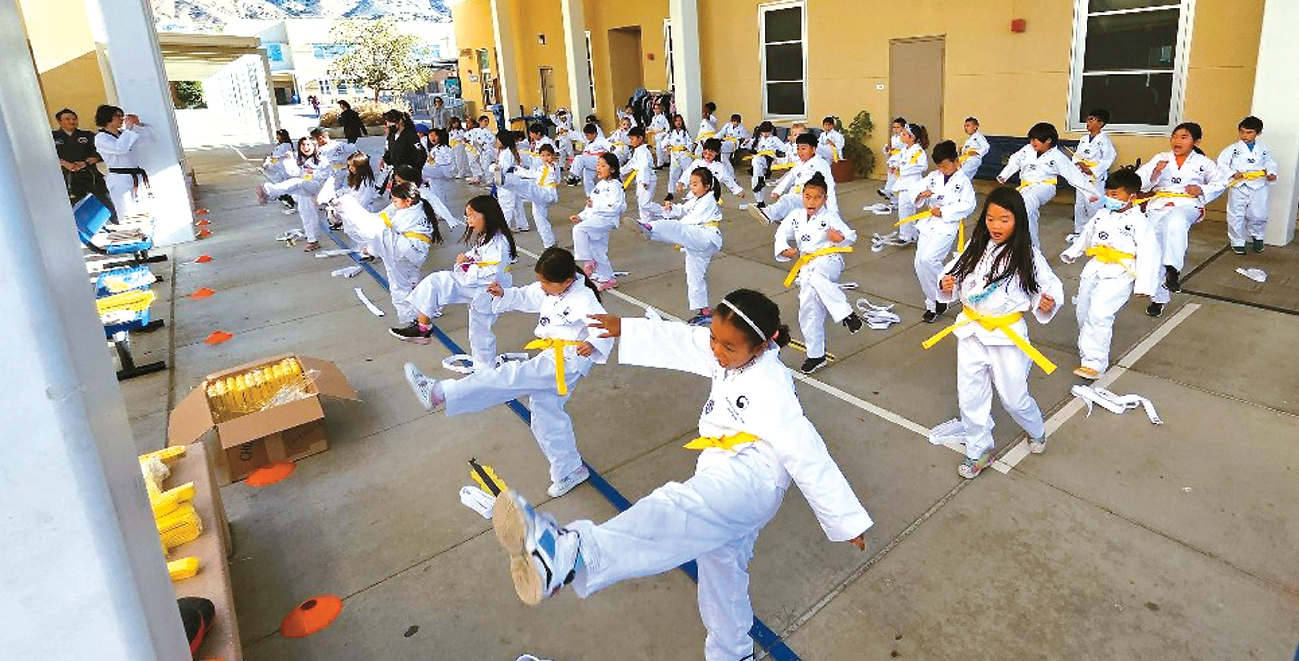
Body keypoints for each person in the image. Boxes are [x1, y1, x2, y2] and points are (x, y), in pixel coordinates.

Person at [488, 288, 872, 661]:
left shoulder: (771, 385)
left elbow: (805, 452)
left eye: (729, 347)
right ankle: (733, 652)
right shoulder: (729, 355)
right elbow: (683, 339)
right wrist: (626, 327)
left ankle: (576, 553)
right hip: (722, 467)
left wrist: (844, 519)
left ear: (760, 346)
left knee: (678, 506)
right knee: (722, 568)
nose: (717, 353)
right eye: (715, 340)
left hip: (753, 479)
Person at [403, 246, 612, 496]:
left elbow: (604, 325)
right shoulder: (555, 285)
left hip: (565, 361)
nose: (542, 287)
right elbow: (527, 295)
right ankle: (571, 470)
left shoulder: (583, 298)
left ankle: (440, 392)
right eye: (541, 281)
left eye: (546, 283)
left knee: (508, 378)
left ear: (566, 281)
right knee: (546, 416)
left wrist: (592, 343)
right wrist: (504, 294)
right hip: (553, 356)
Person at [925, 186, 1063, 478]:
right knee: (970, 395)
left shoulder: (1029, 255)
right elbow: (951, 272)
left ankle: (1035, 428)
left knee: (1014, 398)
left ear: (1018, 221)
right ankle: (979, 449)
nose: (996, 226)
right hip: (971, 331)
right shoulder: (975, 247)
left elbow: (1047, 288)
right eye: (990, 219)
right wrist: (946, 283)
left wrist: (1045, 301)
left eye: (1004, 219)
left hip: (1007, 336)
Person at [395, 195, 517, 369]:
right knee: (438, 284)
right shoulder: (486, 237)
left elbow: (491, 272)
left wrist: (466, 265)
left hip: (487, 289)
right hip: (478, 286)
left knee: (479, 330)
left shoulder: (499, 242)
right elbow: (479, 258)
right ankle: (423, 327)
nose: (469, 221)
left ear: (488, 215)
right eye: (467, 217)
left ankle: (484, 371)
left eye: (473, 216)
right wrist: (468, 259)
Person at [1061, 168, 1159, 380]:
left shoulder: (1139, 221)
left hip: (1121, 272)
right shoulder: (1101, 214)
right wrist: (1073, 253)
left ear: (1132, 196)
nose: (1110, 198)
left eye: (1115, 194)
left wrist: (1144, 285)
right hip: (1096, 266)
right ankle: (1088, 349)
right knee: (1084, 311)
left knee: (1099, 314)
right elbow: (1086, 235)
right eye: (1108, 193)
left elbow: (1149, 253)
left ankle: (1094, 363)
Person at [773, 173, 865, 374]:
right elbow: (781, 233)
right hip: (807, 264)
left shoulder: (830, 217)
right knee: (808, 309)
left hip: (828, 260)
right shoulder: (795, 216)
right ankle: (816, 355)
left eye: (817, 197)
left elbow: (851, 236)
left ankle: (846, 314)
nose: (811, 201)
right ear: (802, 196)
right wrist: (783, 249)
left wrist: (839, 237)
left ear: (825, 198)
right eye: (807, 196)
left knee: (815, 277)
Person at [1135, 122, 1229, 317]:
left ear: (1196, 141)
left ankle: (1174, 269)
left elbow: (1221, 182)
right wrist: (1155, 173)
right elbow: (1139, 180)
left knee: (1176, 221)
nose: (1177, 141)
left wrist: (1201, 189)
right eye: (1175, 136)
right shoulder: (1161, 158)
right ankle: (1159, 297)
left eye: (1183, 137)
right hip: (1159, 205)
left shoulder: (1203, 163)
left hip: (1187, 205)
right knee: (1153, 248)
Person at [330, 181, 440, 324]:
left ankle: (410, 318)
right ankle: (424, 310)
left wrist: (371, 250)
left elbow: (381, 231)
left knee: (398, 285)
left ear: (407, 201)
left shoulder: (406, 215)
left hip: (403, 252)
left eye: (395, 200)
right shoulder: (418, 208)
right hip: (414, 253)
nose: (393, 203)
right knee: (412, 283)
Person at [631, 167, 724, 326]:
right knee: (694, 276)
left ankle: (650, 228)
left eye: (695, 184)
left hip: (705, 236)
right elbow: (683, 209)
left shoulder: (709, 199)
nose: (691, 188)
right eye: (691, 184)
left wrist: (672, 225)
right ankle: (704, 312)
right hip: (698, 243)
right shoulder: (697, 199)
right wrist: (670, 208)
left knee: (676, 227)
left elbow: (688, 220)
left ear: (707, 186)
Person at [995, 122, 1100, 247]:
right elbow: (1014, 161)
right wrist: (1004, 175)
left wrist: (1090, 193)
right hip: (1026, 186)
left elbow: (1073, 175)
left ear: (1048, 140)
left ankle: (1030, 246)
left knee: (1026, 203)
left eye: (1037, 140)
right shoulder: (1027, 149)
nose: (1033, 143)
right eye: (1031, 139)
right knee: (1017, 209)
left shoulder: (1057, 156)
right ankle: (1024, 244)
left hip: (1045, 187)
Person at [907, 141, 978, 323]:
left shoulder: (963, 182)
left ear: (956, 161)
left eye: (946, 166)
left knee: (929, 260)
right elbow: (915, 188)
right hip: (927, 224)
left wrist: (945, 211)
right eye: (940, 166)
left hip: (947, 226)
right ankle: (935, 301)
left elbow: (969, 205)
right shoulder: (933, 176)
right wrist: (921, 194)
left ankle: (945, 290)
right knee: (919, 263)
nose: (943, 169)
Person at [1216, 115, 1278, 254]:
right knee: (1236, 214)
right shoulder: (1232, 149)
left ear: (1258, 133)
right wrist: (1232, 173)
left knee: (1259, 214)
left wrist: (1271, 172)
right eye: (1242, 132)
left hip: (1259, 184)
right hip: (1239, 184)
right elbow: (1221, 163)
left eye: (1249, 132)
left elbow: (1270, 163)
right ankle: (1237, 241)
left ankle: (1258, 236)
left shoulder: (1264, 149)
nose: (1244, 135)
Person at [254, 136, 326, 251]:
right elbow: (293, 172)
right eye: (303, 145)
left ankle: (268, 191)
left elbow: (327, 175)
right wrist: (289, 160)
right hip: (304, 189)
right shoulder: (298, 158)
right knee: (306, 214)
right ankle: (313, 240)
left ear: (314, 146)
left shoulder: (322, 158)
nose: (306, 147)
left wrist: (314, 173)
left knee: (296, 183)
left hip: (317, 187)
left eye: (308, 145)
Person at [749, 132, 833, 224]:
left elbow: (830, 187)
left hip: (812, 199)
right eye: (798, 149)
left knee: (788, 199)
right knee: (787, 201)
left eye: (803, 149)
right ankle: (782, 217)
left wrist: (833, 213)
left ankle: (768, 213)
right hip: (799, 196)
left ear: (813, 150)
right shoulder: (800, 164)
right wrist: (778, 191)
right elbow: (790, 177)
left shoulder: (821, 164)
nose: (800, 152)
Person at [570, 153, 626, 290]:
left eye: (603, 165)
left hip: (607, 219)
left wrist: (594, 206)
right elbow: (591, 205)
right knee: (598, 249)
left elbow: (616, 206)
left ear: (612, 169)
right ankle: (607, 277)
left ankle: (588, 261)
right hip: (596, 219)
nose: (598, 168)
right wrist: (581, 216)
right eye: (597, 165)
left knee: (579, 230)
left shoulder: (616, 186)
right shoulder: (599, 185)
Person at [94, 104, 152, 218]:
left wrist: (138, 124)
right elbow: (120, 148)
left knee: (142, 210)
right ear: (108, 118)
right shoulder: (101, 138)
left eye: (122, 116)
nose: (122, 119)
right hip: (119, 179)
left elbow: (148, 139)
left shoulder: (124, 134)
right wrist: (129, 128)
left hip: (135, 176)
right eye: (118, 116)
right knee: (126, 213)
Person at [500, 144, 562, 249]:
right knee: (540, 220)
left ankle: (505, 181)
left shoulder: (553, 166)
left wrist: (553, 165)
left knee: (527, 187)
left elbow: (555, 175)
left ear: (553, 156)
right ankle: (549, 244)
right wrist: (516, 169)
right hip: (539, 197)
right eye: (543, 156)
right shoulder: (540, 169)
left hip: (547, 193)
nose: (546, 158)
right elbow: (531, 174)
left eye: (548, 155)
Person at [1069, 108, 1117, 241]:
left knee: (1094, 204)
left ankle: (1096, 231)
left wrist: (1093, 170)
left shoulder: (1104, 140)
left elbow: (1109, 158)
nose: (1088, 123)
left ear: (1100, 123)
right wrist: (1079, 164)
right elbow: (1077, 155)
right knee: (1080, 204)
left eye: (1091, 120)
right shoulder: (1084, 139)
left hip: (1095, 177)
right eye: (1088, 119)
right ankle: (1080, 232)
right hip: (1082, 175)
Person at [53, 108, 111, 210]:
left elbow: (101, 153)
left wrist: (86, 163)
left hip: (91, 175)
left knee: (105, 203)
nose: (72, 121)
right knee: (73, 208)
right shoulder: (52, 137)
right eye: (67, 119)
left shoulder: (87, 135)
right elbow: (46, 156)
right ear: (59, 121)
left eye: (74, 119)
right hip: (67, 178)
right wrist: (63, 163)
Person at [890, 123, 932, 246]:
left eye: (904, 134)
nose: (901, 136)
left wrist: (903, 169)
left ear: (912, 137)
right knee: (906, 210)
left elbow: (923, 166)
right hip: (904, 183)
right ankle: (912, 234)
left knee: (905, 209)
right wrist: (894, 166)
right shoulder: (904, 150)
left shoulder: (918, 151)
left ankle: (905, 235)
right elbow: (899, 161)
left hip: (912, 184)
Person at [674, 138, 745, 203]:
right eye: (705, 153)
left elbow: (727, 179)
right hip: (695, 193)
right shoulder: (697, 163)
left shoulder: (719, 167)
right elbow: (688, 173)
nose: (707, 156)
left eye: (710, 154)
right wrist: (681, 183)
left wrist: (737, 190)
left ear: (717, 153)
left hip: (711, 196)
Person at [493, 130, 530, 233]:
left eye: (498, 140)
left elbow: (501, 169)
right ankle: (522, 224)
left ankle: (505, 227)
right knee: (517, 203)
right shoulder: (509, 151)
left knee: (506, 205)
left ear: (503, 141)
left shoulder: (505, 154)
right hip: (514, 180)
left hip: (507, 181)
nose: (496, 141)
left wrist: (493, 168)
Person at [620, 126, 657, 221]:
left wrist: (645, 181)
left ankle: (664, 211)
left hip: (648, 179)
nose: (630, 141)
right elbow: (632, 164)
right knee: (641, 202)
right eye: (630, 139)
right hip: (640, 179)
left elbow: (644, 166)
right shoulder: (637, 151)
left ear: (640, 139)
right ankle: (645, 221)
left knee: (645, 204)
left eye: (632, 139)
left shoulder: (644, 151)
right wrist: (620, 171)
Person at [568, 124, 613, 195]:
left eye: (588, 135)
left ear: (594, 134)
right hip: (589, 162)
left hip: (597, 160)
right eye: (586, 135)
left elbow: (608, 145)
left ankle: (575, 176)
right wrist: (567, 131)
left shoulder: (600, 140)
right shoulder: (588, 140)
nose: (587, 137)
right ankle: (591, 196)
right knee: (587, 180)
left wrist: (612, 148)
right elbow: (578, 135)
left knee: (579, 158)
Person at [261, 129, 297, 214]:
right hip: (280, 169)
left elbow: (276, 157)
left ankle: (290, 202)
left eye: (278, 135)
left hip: (283, 169)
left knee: (284, 186)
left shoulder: (285, 145)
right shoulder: (283, 145)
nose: (277, 137)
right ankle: (287, 200)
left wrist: (269, 161)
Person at [749, 121, 784, 196]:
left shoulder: (775, 139)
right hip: (759, 160)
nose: (765, 134)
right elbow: (747, 146)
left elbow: (784, 149)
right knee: (755, 176)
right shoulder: (758, 139)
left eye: (767, 132)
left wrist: (777, 155)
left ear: (771, 131)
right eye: (763, 132)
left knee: (756, 160)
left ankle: (761, 179)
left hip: (769, 160)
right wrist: (746, 142)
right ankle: (760, 201)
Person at [661, 114, 695, 190]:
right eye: (676, 121)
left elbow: (690, 143)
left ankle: (690, 190)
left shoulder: (685, 133)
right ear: (673, 122)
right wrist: (667, 148)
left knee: (688, 172)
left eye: (680, 120)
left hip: (684, 155)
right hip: (674, 156)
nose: (678, 122)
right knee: (673, 174)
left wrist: (686, 147)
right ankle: (671, 191)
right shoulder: (670, 133)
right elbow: (664, 143)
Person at [878, 116, 907, 208]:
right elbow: (887, 147)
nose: (895, 129)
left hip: (900, 159)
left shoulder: (905, 137)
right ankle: (893, 201)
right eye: (894, 127)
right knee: (891, 178)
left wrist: (895, 148)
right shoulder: (893, 137)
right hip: (893, 159)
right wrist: (887, 148)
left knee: (896, 180)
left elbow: (904, 148)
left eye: (898, 127)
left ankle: (890, 192)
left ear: (903, 128)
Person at [717, 113, 750, 179]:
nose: (735, 123)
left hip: (734, 143)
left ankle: (716, 147)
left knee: (722, 146)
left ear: (739, 122)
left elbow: (745, 138)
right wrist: (714, 138)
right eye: (734, 121)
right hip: (726, 141)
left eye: (737, 122)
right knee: (724, 159)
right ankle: (728, 175)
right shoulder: (727, 126)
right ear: (731, 121)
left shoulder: (742, 128)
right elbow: (721, 133)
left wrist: (743, 144)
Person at [646, 102, 671, 168]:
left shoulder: (663, 118)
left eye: (658, 109)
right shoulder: (653, 118)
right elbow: (652, 125)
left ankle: (660, 164)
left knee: (659, 151)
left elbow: (667, 127)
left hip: (661, 135)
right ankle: (666, 161)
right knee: (662, 150)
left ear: (660, 109)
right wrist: (648, 128)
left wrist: (665, 134)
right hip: (656, 135)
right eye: (655, 109)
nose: (656, 110)